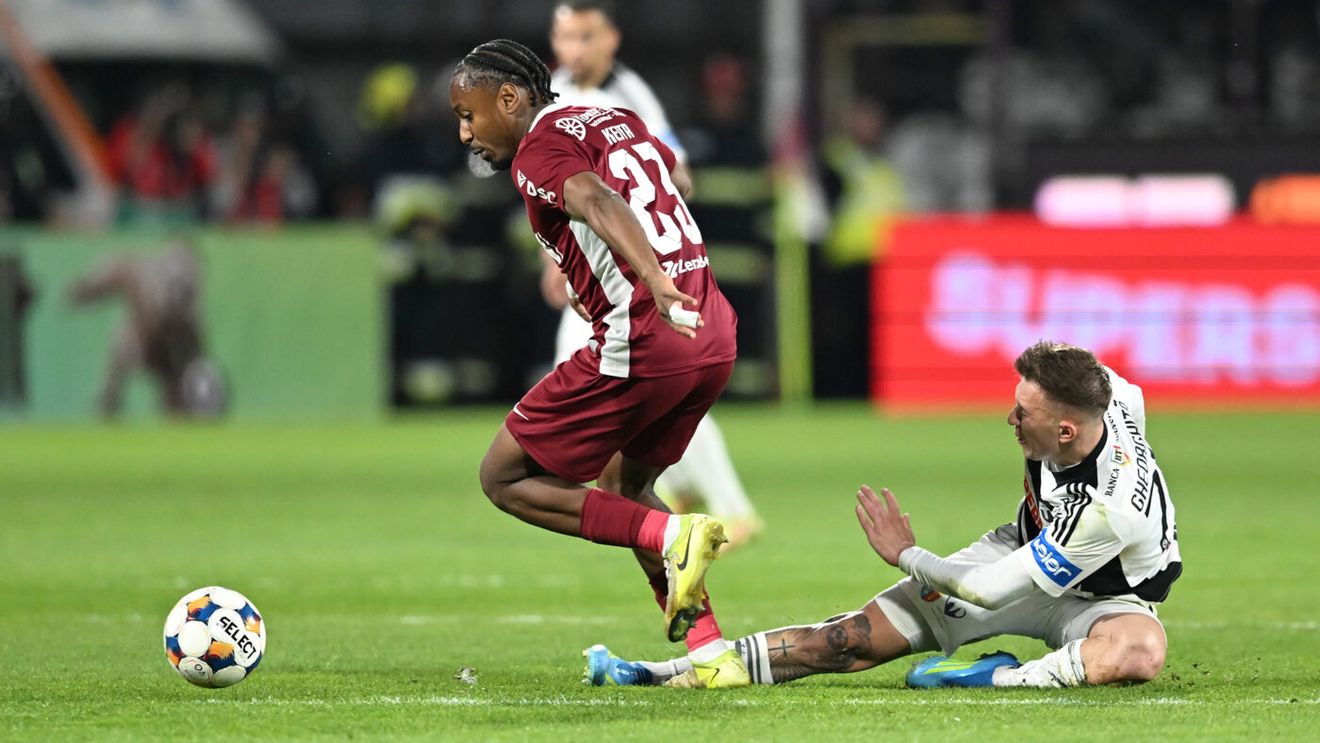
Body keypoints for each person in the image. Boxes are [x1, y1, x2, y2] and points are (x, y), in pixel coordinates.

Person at [585, 341, 1181, 690]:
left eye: (1024, 414)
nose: (1010, 420)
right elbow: (1080, 373)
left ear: (1067, 429)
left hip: (1105, 599)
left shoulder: (1109, 508)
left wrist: (907, 555)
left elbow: (984, 591)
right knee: (850, 642)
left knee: (1138, 654)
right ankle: (660, 672)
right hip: (1024, 550)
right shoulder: (1112, 393)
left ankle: (989, 678)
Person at [449, 39, 749, 688]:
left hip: (646, 336)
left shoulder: (537, 151)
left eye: (469, 114)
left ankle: (673, 533)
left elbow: (597, 199)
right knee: (627, 485)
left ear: (510, 99)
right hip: (713, 334)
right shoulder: (614, 119)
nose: (466, 132)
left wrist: (653, 279)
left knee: (502, 475)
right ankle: (711, 654)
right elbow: (674, 176)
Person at [543, 0, 763, 548]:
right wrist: (558, 257)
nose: (574, 49)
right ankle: (676, 492)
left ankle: (726, 508)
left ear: (611, 39)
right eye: (564, 36)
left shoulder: (628, 95)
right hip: (595, 275)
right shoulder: (553, 92)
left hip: (632, 276)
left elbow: (676, 170)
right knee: (651, 386)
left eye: (585, 36)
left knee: (659, 383)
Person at [67, 241, 226, 418]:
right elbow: (113, 274)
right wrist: (86, 291)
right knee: (121, 355)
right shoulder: (142, 272)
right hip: (144, 340)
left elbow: (196, 344)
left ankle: (172, 419)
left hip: (174, 347)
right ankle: (109, 407)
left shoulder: (188, 294)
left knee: (175, 395)